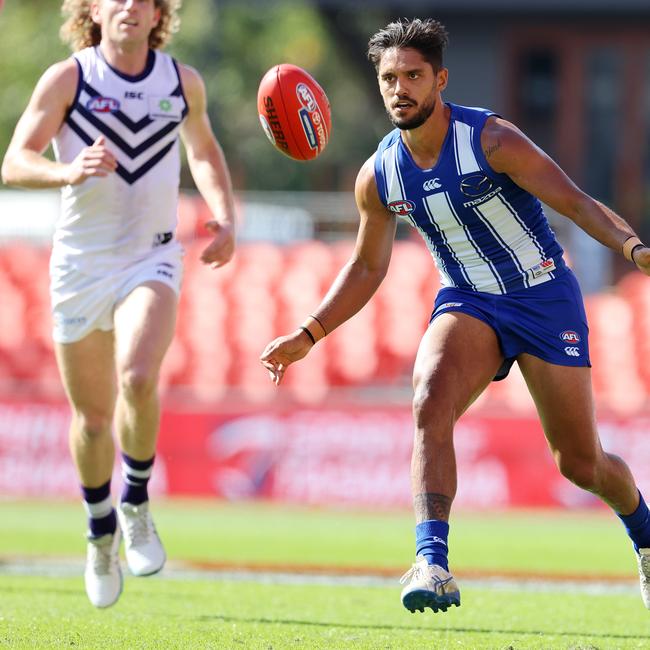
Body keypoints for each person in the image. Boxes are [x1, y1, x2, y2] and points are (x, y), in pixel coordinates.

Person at [261, 17, 650, 614]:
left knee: (580, 462)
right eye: (390, 77)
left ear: (440, 79)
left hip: (543, 296)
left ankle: (645, 537)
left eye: (414, 75)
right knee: (428, 400)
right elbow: (367, 268)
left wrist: (634, 250)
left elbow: (573, 200)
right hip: (468, 300)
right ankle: (432, 562)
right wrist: (309, 334)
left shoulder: (493, 140)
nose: (400, 88)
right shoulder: (380, 175)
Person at [2, 0, 236, 608]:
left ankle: (135, 501)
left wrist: (226, 216)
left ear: (159, 12)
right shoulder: (70, 78)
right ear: (93, 11)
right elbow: (15, 160)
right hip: (80, 265)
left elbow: (204, 151)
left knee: (137, 375)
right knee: (93, 419)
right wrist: (67, 171)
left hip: (151, 256)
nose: (131, 6)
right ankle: (99, 529)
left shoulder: (181, 81)